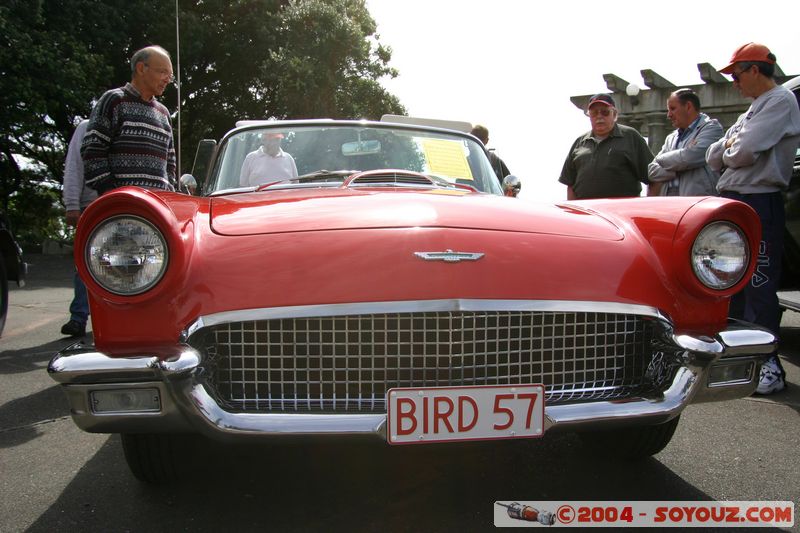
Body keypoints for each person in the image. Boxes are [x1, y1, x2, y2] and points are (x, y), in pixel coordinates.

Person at [706, 42, 800, 394]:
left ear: (755, 70)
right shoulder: (754, 109)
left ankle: (769, 364)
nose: (734, 82)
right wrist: (731, 146)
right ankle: (740, 359)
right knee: (732, 283)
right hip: (734, 196)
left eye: (736, 74)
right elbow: (715, 156)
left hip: (760, 197)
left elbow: (740, 151)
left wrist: (732, 146)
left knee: (759, 281)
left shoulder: (778, 101)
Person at [82, 45, 177, 193]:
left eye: (170, 75)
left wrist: (167, 192)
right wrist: (110, 193)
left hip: (157, 209)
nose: (167, 80)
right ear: (141, 68)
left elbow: (170, 164)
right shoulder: (114, 100)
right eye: (162, 72)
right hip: (122, 209)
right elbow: (93, 151)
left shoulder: (164, 113)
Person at [559, 94, 654, 200]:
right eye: (594, 113)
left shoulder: (631, 137)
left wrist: (650, 208)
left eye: (605, 112)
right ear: (589, 116)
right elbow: (570, 183)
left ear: (614, 114)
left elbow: (654, 177)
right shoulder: (579, 142)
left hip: (621, 212)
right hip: (587, 213)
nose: (599, 116)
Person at [647, 88, 723, 196]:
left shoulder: (711, 129)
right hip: (670, 203)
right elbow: (652, 171)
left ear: (688, 106)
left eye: (672, 109)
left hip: (697, 203)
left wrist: (662, 160)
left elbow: (690, 157)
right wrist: (681, 166)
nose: (669, 115)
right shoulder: (671, 138)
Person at [60, 119, 96, 338]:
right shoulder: (87, 127)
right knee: (84, 264)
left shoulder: (134, 124)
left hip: (124, 201)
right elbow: (74, 165)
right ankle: (79, 317)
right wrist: (71, 204)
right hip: (90, 204)